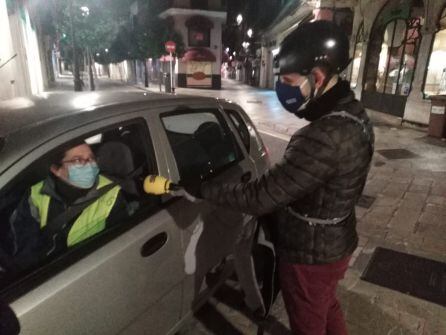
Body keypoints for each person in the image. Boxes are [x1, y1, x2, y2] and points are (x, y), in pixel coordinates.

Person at [150, 20, 374, 334]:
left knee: (308, 320)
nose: (282, 86)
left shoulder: (324, 135)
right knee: (327, 305)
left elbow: (260, 196)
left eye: (287, 79)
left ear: (318, 77)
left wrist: (202, 189)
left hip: (310, 253)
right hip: (335, 241)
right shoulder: (354, 115)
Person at [7, 142, 128, 272]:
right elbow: (25, 249)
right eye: (78, 160)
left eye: (91, 158)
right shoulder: (36, 194)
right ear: (56, 169)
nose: (89, 164)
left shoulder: (112, 194)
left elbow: (118, 246)